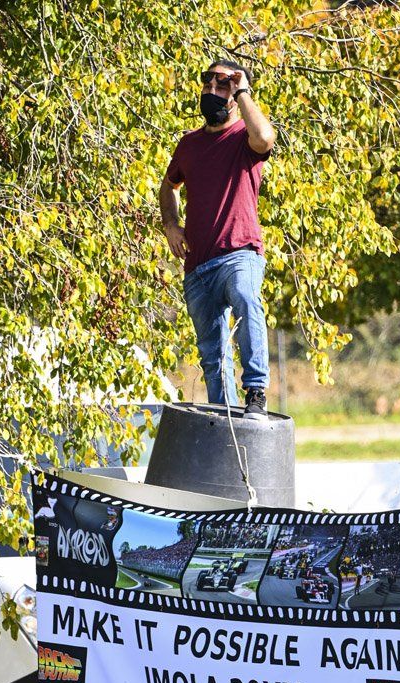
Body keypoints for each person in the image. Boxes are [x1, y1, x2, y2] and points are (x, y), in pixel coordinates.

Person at [159, 59, 275, 420]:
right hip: (198, 267)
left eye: (222, 85)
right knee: (212, 351)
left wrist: (242, 92)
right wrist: (171, 225)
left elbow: (266, 138)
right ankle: (224, 416)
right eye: (207, 83)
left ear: (236, 95)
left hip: (240, 253)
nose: (211, 90)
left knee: (245, 297)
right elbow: (169, 185)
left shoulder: (244, 138)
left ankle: (255, 392)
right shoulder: (189, 144)